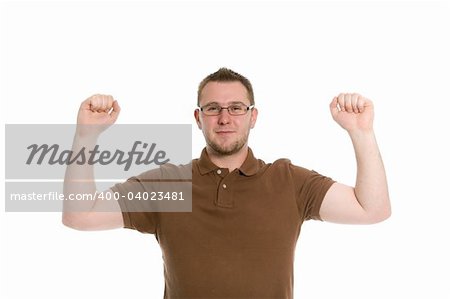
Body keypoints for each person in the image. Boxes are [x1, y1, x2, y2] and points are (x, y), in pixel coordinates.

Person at [62, 68, 391, 298]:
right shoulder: (168, 184)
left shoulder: (289, 181)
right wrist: (86, 136)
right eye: (213, 108)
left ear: (253, 116)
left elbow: (372, 209)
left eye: (236, 108)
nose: (224, 118)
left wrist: (361, 133)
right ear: (198, 118)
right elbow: (80, 215)